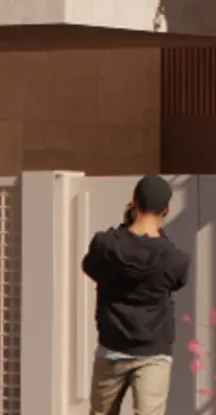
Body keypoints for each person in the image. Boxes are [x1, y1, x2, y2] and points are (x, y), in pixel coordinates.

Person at [82, 173, 190, 415]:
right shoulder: (174, 259)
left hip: (111, 347)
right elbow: (177, 281)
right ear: (166, 210)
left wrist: (124, 227)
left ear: (133, 203)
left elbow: (90, 267)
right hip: (154, 352)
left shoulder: (105, 246)